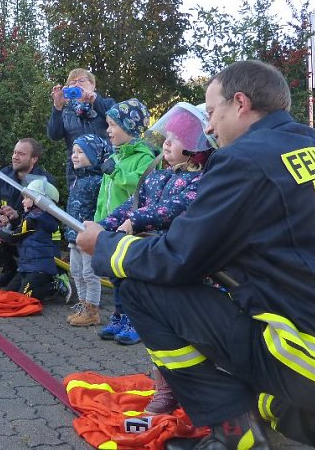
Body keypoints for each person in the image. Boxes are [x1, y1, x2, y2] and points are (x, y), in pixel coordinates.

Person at [77, 60, 315, 450]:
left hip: (314, 360)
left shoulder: (244, 160)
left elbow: (176, 258)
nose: (208, 127)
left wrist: (106, 247)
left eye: (211, 111)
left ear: (241, 104)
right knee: (248, 337)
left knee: (141, 288)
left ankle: (237, 444)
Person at [99, 102, 215, 412]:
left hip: (178, 265)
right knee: (159, 331)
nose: (167, 141)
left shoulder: (201, 180)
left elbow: (174, 208)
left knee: (181, 332)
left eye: (177, 138)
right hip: (151, 263)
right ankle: (165, 385)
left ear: (197, 148)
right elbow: (134, 204)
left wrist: (136, 222)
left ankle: (189, 387)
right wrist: (102, 227)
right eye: (168, 135)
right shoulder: (155, 174)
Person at [93, 99, 157, 346]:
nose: (108, 130)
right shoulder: (116, 156)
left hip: (131, 226)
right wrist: (99, 220)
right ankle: (119, 315)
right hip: (110, 225)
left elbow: (139, 185)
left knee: (130, 275)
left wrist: (115, 172)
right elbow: (104, 194)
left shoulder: (144, 156)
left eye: (113, 125)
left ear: (129, 127)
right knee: (116, 275)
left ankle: (135, 320)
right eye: (107, 125)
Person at [0, 138, 57, 288]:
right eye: (14, 152)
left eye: (21, 154)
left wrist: (17, 216)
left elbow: (44, 218)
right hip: (11, 232)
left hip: (38, 241)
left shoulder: (44, 181)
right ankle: (8, 269)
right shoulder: (4, 175)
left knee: (39, 281)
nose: (15, 156)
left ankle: (38, 274)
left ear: (34, 159)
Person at [0, 178, 70, 301]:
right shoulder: (35, 216)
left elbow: (12, 238)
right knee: (8, 293)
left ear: (39, 201)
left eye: (27, 198)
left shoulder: (34, 220)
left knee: (24, 297)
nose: (23, 201)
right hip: (27, 267)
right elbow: (18, 232)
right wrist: (7, 225)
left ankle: (55, 286)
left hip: (39, 270)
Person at [64, 134, 112, 327]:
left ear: (95, 155)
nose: (74, 156)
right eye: (73, 152)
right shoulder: (77, 179)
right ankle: (82, 306)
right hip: (73, 234)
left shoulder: (98, 181)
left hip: (88, 236)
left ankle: (92, 310)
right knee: (76, 271)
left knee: (89, 273)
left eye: (81, 152)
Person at [48, 68, 115, 186]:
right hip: (77, 171)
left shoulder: (107, 103)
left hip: (106, 166)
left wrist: (94, 100)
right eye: (72, 83)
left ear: (93, 85)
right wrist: (57, 107)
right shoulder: (66, 111)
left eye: (81, 81)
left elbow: (117, 121)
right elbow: (54, 135)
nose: (77, 85)